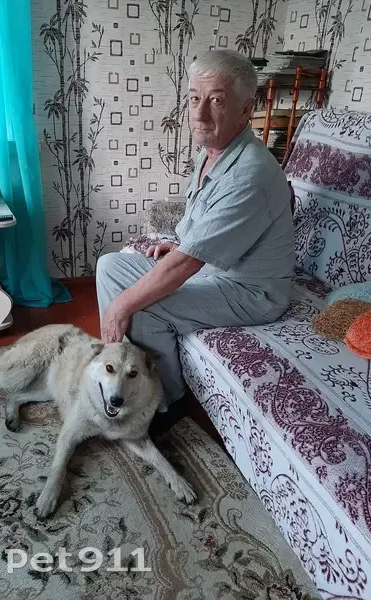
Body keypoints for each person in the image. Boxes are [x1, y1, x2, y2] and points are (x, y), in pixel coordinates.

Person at [96, 49, 295, 432]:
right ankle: (121, 365)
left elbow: (189, 264)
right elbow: (202, 229)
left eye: (216, 100)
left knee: (143, 307)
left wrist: (120, 307)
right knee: (109, 266)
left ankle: (163, 405)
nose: (199, 114)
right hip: (217, 268)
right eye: (194, 98)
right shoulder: (213, 153)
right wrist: (184, 243)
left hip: (250, 291)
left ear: (245, 109)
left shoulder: (250, 174)